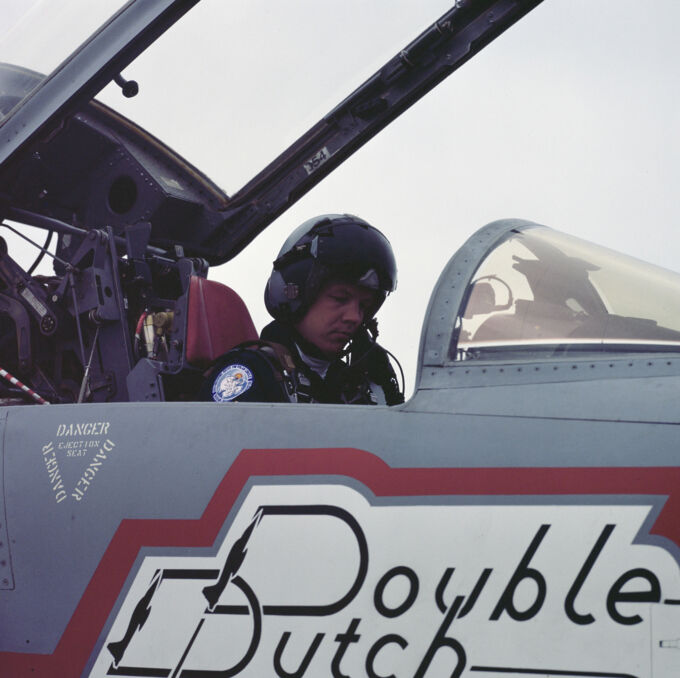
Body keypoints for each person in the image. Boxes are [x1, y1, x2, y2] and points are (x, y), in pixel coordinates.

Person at [199, 214, 403, 405]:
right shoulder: (250, 374)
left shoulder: (358, 386)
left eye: (364, 306)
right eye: (340, 299)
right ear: (295, 292)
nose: (354, 317)